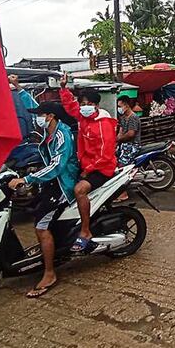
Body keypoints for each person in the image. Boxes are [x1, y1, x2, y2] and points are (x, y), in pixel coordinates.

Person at [7, 101, 80, 298]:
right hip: (51, 183)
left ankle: (49, 274)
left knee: (41, 226)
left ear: (50, 116)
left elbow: (57, 165)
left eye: (40, 115)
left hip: (63, 184)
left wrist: (27, 178)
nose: (36, 119)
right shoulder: (50, 133)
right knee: (35, 211)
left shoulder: (62, 134)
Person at [59, 75, 118, 254]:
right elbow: (70, 106)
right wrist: (63, 88)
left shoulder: (103, 124)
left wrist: (88, 170)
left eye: (87, 103)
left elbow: (106, 154)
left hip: (102, 168)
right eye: (82, 103)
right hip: (86, 165)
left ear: (96, 105)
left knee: (79, 190)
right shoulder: (84, 116)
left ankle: (85, 231)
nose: (83, 106)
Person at [116, 95, 141, 165]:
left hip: (132, 145)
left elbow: (130, 134)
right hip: (124, 145)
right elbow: (120, 131)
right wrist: (116, 141)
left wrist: (119, 139)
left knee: (121, 164)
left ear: (126, 105)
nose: (118, 108)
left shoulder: (133, 117)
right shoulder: (123, 117)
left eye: (119, 106)